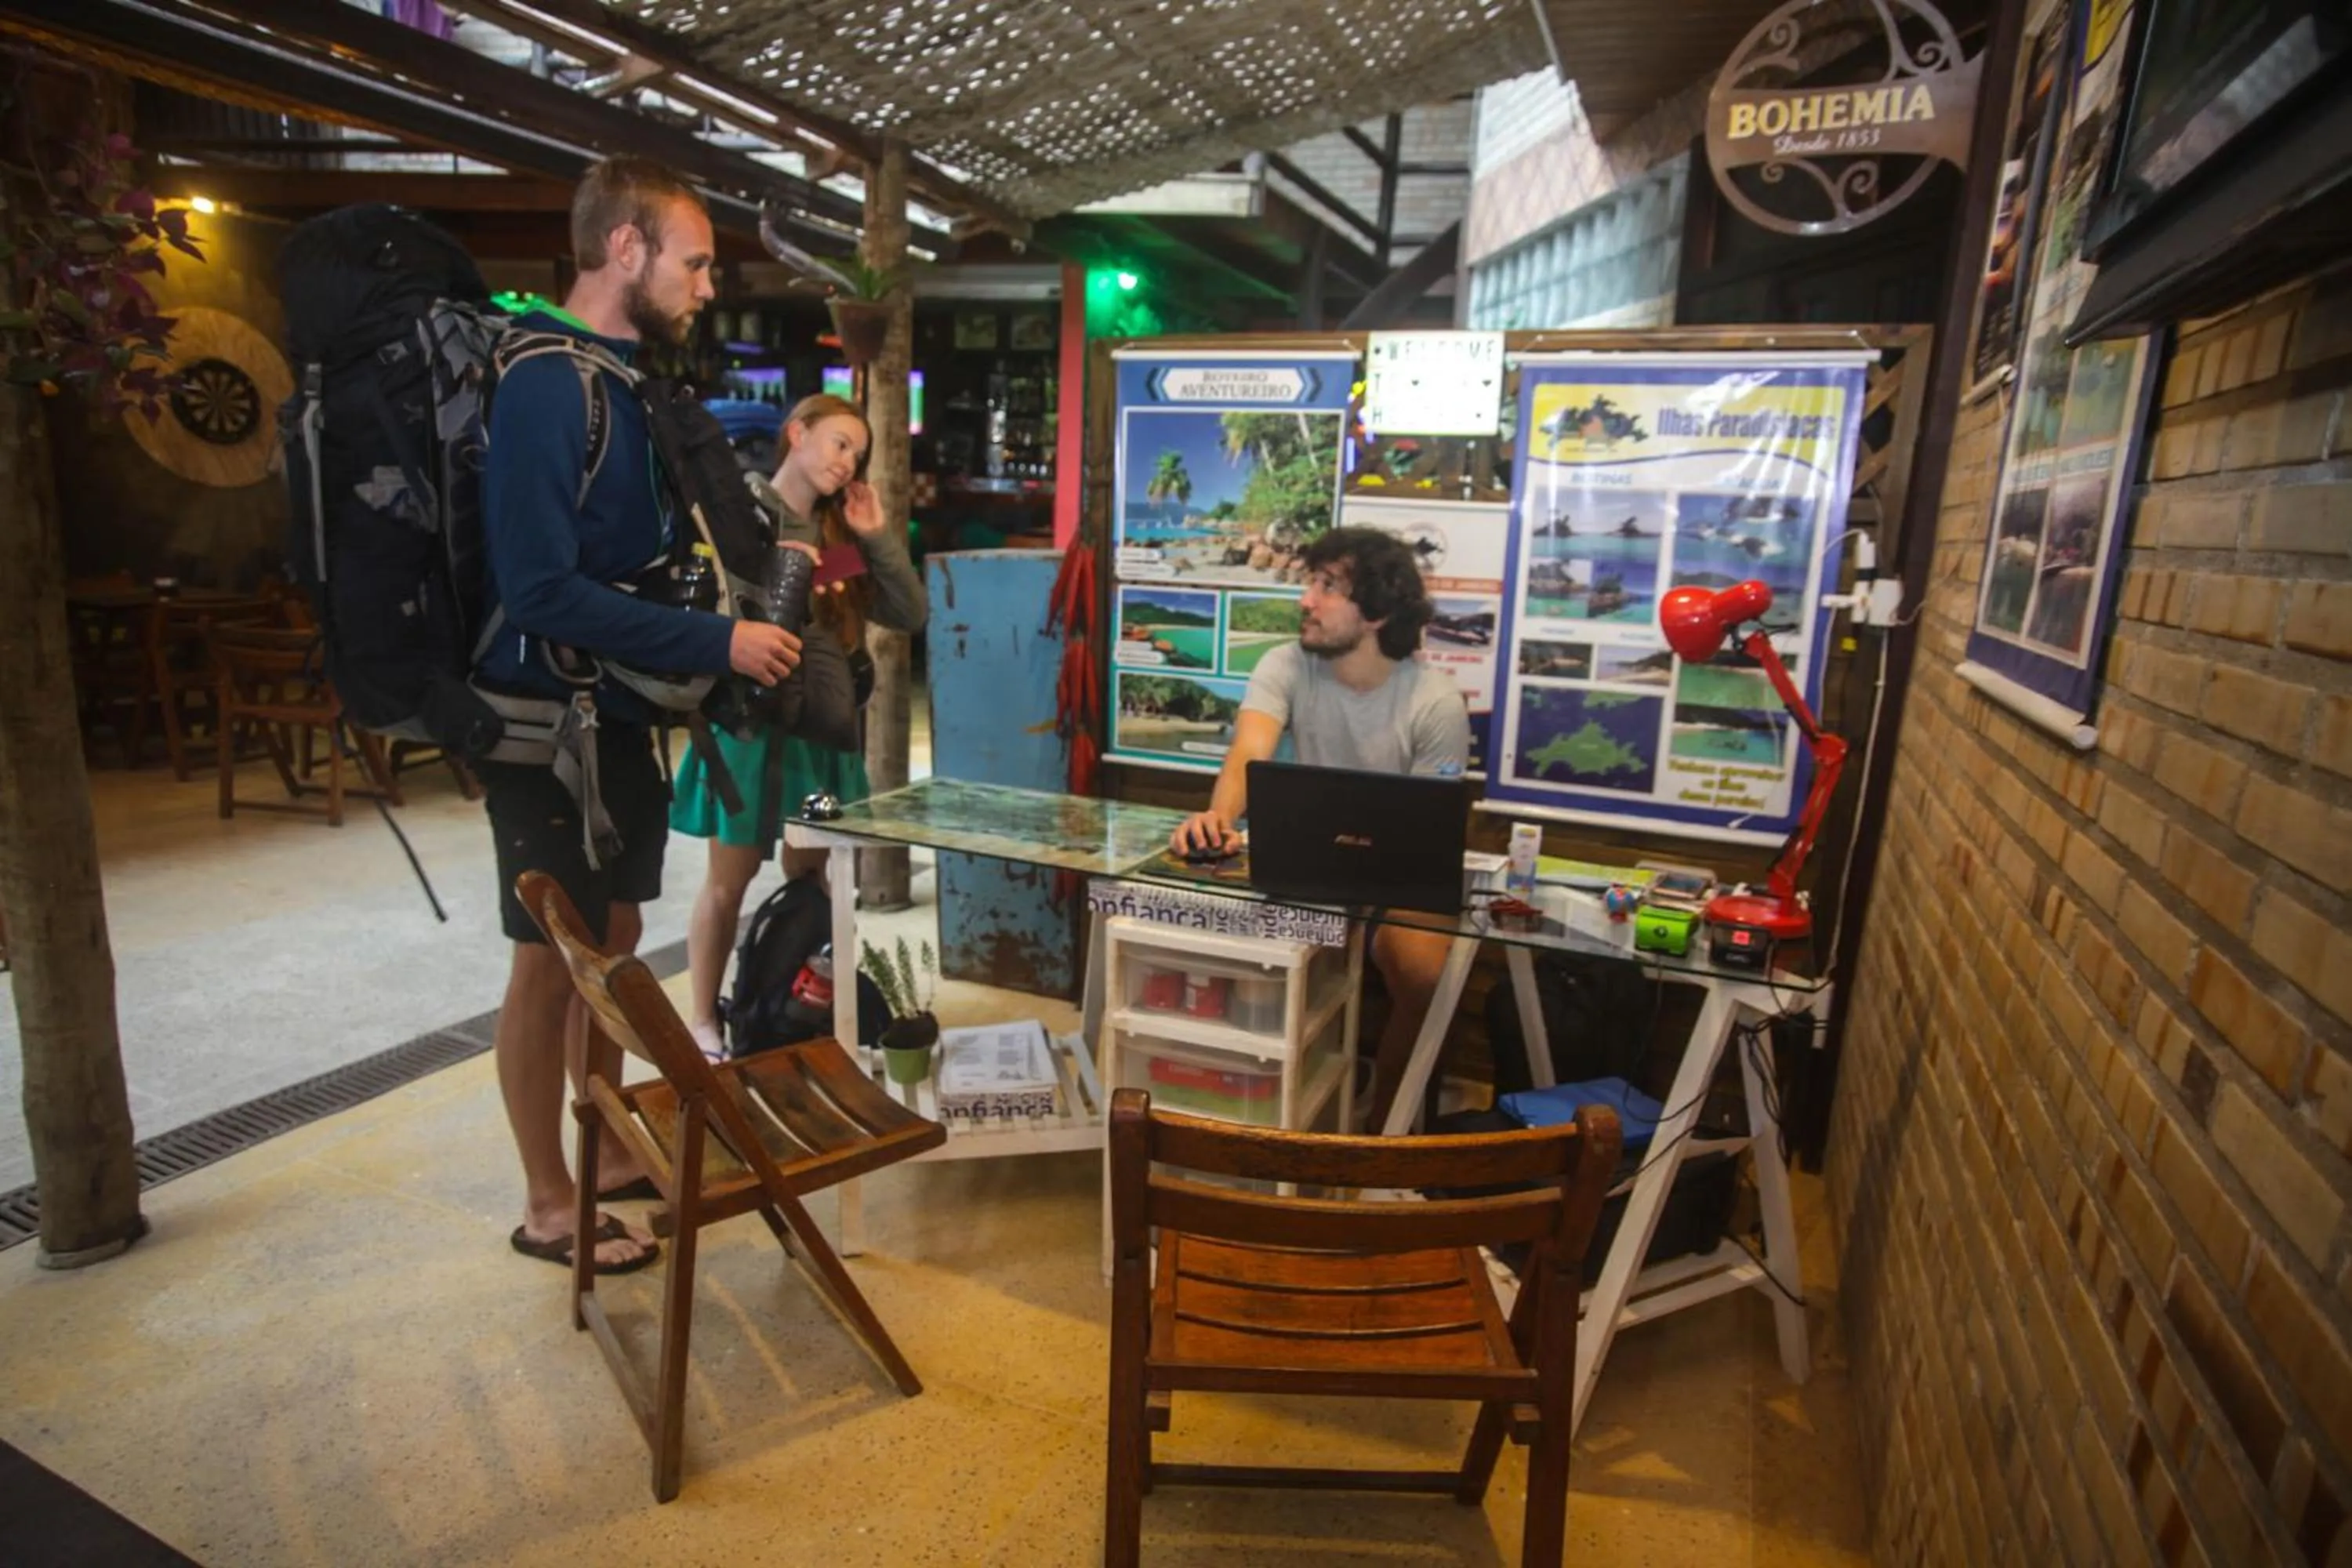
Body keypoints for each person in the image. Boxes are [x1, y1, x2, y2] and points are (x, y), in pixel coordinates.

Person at [477, 156, 803, 1276]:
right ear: (626, 248)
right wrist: (719, 643)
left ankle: (605, 1149)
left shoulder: (615, 379)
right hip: (538, 724)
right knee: (548, 961)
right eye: (695, 262)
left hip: (609, 713)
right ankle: (546, 1200)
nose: (707, 287)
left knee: (611, 950)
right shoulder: (543, 382)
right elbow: (538, 589)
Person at [1170, 526, 1472, 1131]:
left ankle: (1386, 1127)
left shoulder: (1436, 700)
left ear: (1377, 612)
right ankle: (1289, 1093)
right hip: (1307, 868)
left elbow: (1430, 828)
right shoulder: (1285, 664)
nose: (1306, 599)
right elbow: (1248, 754)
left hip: (1396, 878)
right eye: (1311, 582)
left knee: (1424, 974)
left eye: (1328, 586)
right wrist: (1217, 819)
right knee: (1264, 963)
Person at [670, 394, 929, 1060]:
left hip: (821, 737)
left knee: (814, 878)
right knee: (728, 879)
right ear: (797, 433)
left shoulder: (843, 531)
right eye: (840, 443)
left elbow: (909, 613)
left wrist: (875, 534)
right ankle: (702, 1020)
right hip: (749, 731)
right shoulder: (740, 510)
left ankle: (789, 1009)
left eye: (858, 455)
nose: (847, 463)